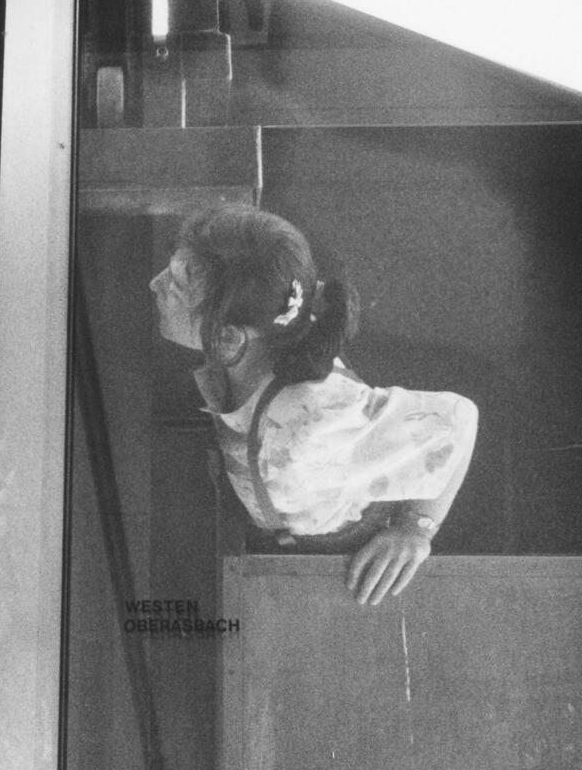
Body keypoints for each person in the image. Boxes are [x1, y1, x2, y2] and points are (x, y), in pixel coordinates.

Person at [150, 202, 479, 605]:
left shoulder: (313, 423)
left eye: (174, 287)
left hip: (333, 554)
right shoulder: (255, 344)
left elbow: (459, 419)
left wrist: (415, 528)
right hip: (261, 506)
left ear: (229, 336)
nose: (154, 285)